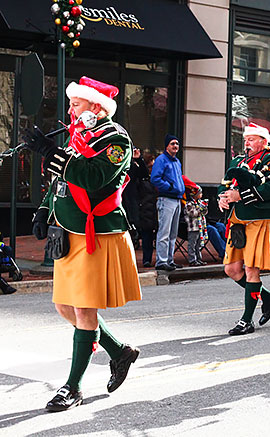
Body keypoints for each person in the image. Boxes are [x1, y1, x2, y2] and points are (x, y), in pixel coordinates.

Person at [26, 76, 141, 411]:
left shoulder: (116, 138)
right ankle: (119, 351)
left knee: (83, 309)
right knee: (66, 307)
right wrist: (44, 210)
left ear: (96, 106)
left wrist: (52, 153)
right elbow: (60, 181)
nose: (70, 109)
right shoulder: (79, 137)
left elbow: (93, 177)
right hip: (69, 231)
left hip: (98, 233)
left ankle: (72, 387)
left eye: (76, 104)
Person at [217, 123, 270, 335]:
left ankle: (246, 321)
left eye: (251, 139)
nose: (247, 142)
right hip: (238, 221)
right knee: (231, 269)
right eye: (246, 139)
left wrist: (239, 196)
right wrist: (222, 198)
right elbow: (224, 184)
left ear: (263, 142)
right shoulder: (238, 161)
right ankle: (268, 298)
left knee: (250, 269)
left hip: (258, 219)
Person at [150, 134, 185, 271]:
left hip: (176, 200)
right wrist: (170, 187)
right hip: (166, 199)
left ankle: (169, 260)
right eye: (172, 143)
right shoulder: (161, 160)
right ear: (167, 146)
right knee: (164, 232)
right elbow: (155, 178)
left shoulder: (176, 162)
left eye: (177, 143)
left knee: (172, 234)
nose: (175, 146)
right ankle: (161, 261)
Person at [137, 153, 158, 267]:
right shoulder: (142, 180)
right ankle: (146, 259)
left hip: (155, 209)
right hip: (145, 209)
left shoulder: (156, 178)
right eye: (150, 166)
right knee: (147, 236)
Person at [183, 182, 208, 266]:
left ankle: (198, 258)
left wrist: (204, 208)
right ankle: (192, 260)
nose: (201, 195)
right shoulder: (189, 204)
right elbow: (192, 213)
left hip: (200, 227)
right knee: (192, 245)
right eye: (200, 193)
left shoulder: (199, 202)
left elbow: (204, 213)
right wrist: (200, 210)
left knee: (199, 245)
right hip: (193, 227)